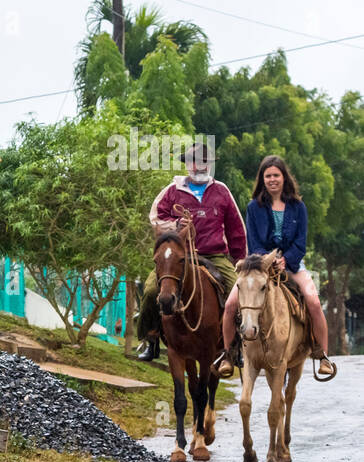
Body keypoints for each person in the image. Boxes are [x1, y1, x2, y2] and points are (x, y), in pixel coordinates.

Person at [215, 155, 336, 380]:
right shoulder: (254, 207)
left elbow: (301, 242)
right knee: (231, 305)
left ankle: (322, 355)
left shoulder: (298, 207)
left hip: (292, 265)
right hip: (260, 266)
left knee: (313, 300)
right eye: (267, 175)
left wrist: (286, 261)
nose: (272, 179)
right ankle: (229, 355)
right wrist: (268, 261)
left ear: (284, 178)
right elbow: (254, 241)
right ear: (262, 179)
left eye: (276, 175)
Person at [135, 141, 246, 361]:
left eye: (204, 161)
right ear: (187, 165)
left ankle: (236, 345)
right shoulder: (172, 190)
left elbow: (236, 230)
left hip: (215, 255)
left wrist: (240, 260)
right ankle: (151, 339)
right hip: (180, 256)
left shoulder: (221, 191)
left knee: (238, 292)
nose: (199, 166)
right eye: (194, 161)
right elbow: (156, 218)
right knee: (149, 292)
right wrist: (177, 225)